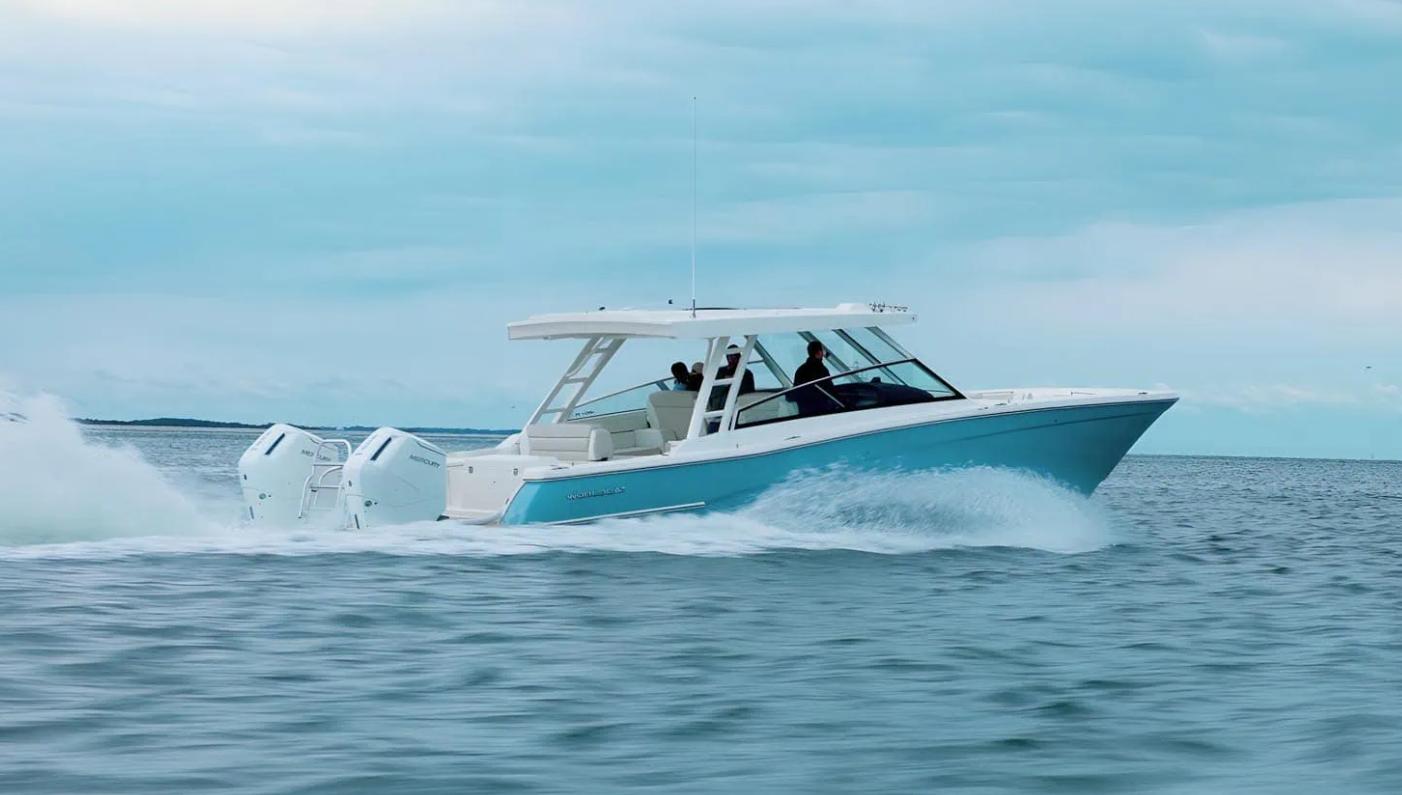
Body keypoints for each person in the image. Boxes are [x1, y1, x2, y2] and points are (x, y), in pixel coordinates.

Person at [790, 339, 836, 415]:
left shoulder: (800, 369)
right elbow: (830, 389)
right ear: (819, 352)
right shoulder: (822, 369)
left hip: (805, 410)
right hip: (821, 409)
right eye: (822, 350)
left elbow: (797, 390)